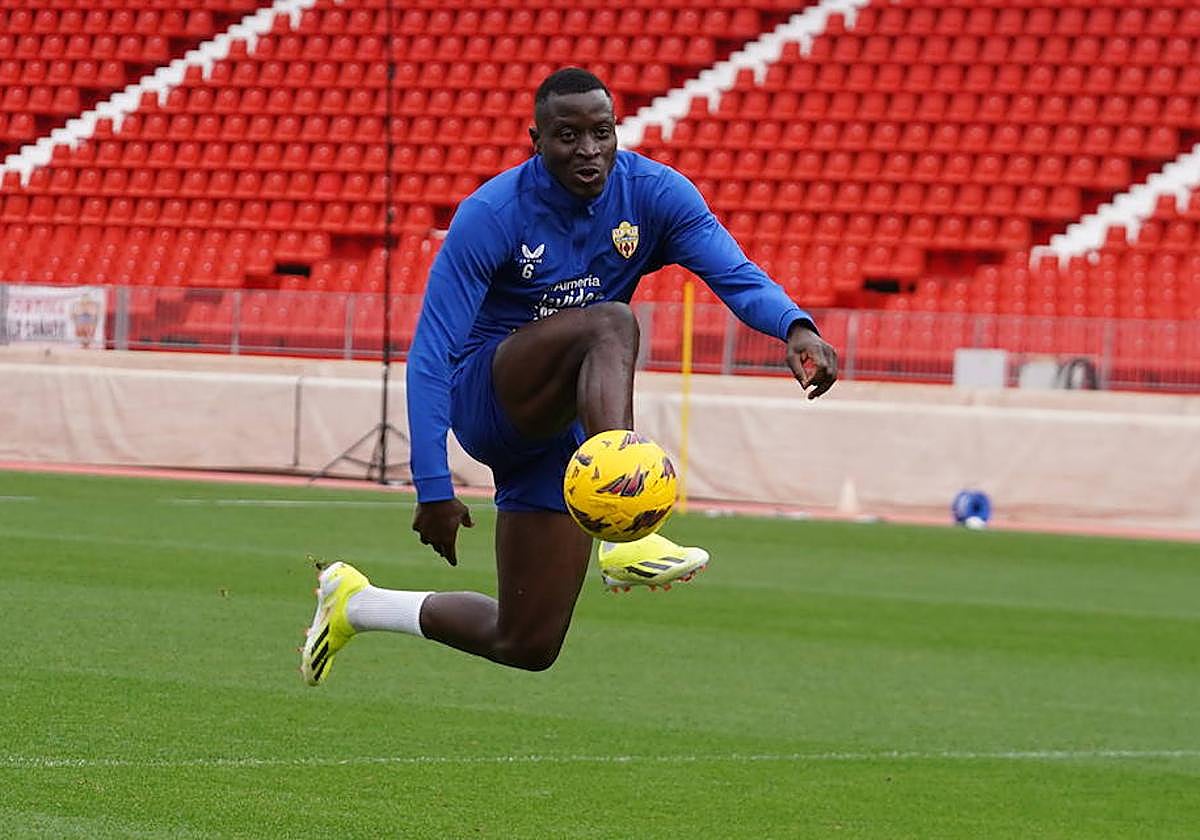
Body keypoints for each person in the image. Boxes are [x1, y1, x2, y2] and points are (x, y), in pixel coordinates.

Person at [300, 67, 837, 684]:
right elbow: (431, 352)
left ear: (616, 132)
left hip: (569, 437)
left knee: (527, 641)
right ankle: (626, 531)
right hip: (491, 398)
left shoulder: (655, 194)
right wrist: (432, 483)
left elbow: (734, 272)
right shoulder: (494, 213)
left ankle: (356, 605)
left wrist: (795, 327)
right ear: (536, 139)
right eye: (567, 135)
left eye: (601, 132)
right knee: (610, 322)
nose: (588, 150)